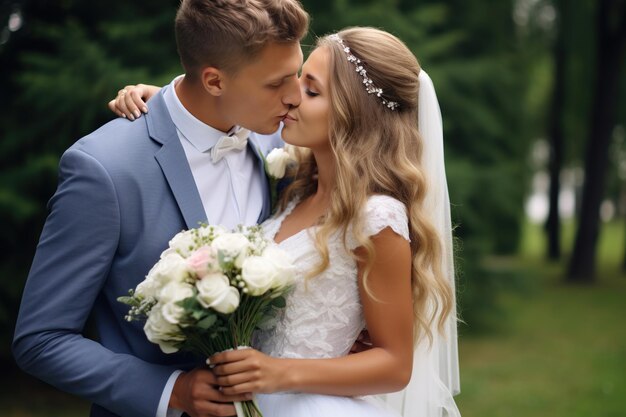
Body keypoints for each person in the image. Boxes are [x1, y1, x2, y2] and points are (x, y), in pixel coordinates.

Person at [109, 27, 461, 416]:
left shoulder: (376, 218)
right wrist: (170, 103)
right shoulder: (293, 183)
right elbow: (230, 120)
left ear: (355, 112)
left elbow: (395, 366)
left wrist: (278, 373)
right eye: (296, 81)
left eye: (311, 91)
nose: (291, 97)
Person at [12, 1, 309, 417]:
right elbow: (41, 340)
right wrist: (172, 391)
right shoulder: (105, 169)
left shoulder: (276, 144)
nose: (295, 96)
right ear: (214, 81)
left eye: (296, 73)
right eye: (276, 83)